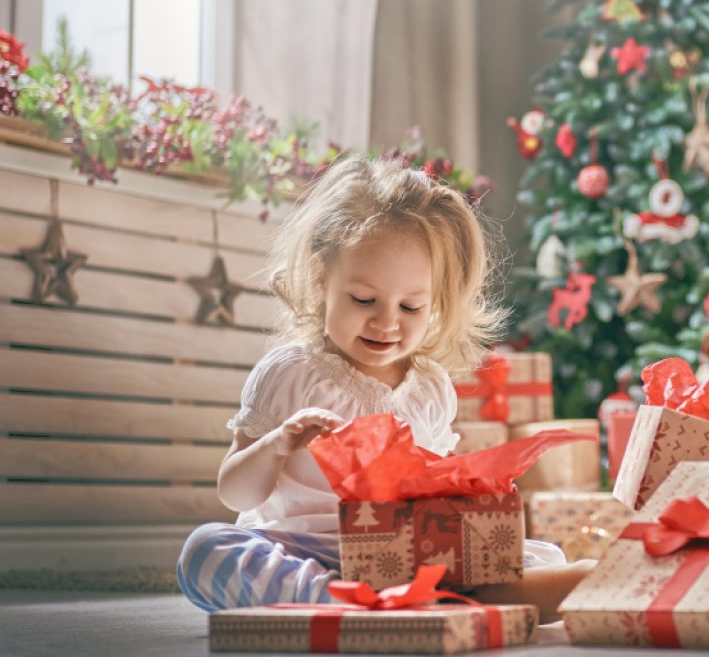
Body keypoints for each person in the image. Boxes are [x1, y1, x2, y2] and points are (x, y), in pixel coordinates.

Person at [177, 156, 589, 619]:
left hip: (398, 556)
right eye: (363, 300)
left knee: (535, 554)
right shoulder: (290, 372)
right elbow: (235, 495)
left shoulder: (429, 389)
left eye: (411, 307)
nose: (386, 322)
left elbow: (434, 500)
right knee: (207, 550)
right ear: (320, 278)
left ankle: (420, 598)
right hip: (303, 548)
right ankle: (352, 602)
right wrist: (278, 444)